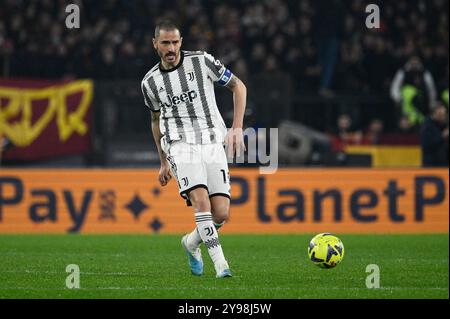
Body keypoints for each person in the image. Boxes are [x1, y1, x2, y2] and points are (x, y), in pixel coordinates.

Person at [141, 20, 247, 278]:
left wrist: (236, 127)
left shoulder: (202, 62)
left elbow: (238, 86)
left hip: (212, 141)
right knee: (201, 202)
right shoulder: (150, 83)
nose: (171, 48)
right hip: (180, 145)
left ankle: (190, 243)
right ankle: (222, 265)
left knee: (220, 213)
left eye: (175, 42)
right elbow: (156, 122)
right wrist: (163, 161)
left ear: (181, 42)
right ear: (155, 44)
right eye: (165, 43)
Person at [390, 56, 438, 127]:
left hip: (421, 103)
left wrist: (432, 102)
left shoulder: (424, 72)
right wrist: (397, 99)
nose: (414, 62)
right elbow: (395, 87)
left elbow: (431, 89)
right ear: (409, 61)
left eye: (416, 60)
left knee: (422, 124)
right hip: (406, 105)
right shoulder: (403, 71)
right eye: (413, 60)